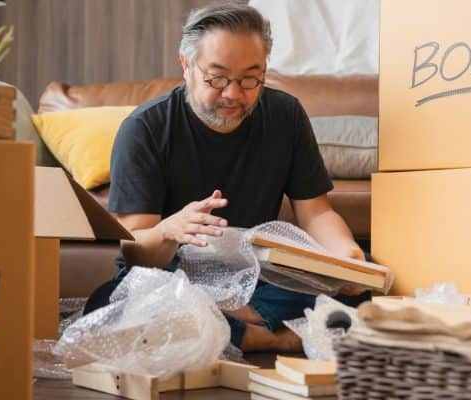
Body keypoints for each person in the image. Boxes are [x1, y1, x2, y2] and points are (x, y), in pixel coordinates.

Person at [84, 3, 370, 352]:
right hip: (174, 276)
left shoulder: (286, 116)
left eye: (251, 78)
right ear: (187, 65)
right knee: (110, 303)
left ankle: (230, 325)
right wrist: (170, 230)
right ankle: (269, 335)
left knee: (361, 291)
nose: (233, 94)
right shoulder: (146, 128)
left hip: (256, 277)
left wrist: (347, 259)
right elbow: (135, 253)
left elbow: (317, 212)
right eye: (217, 78)